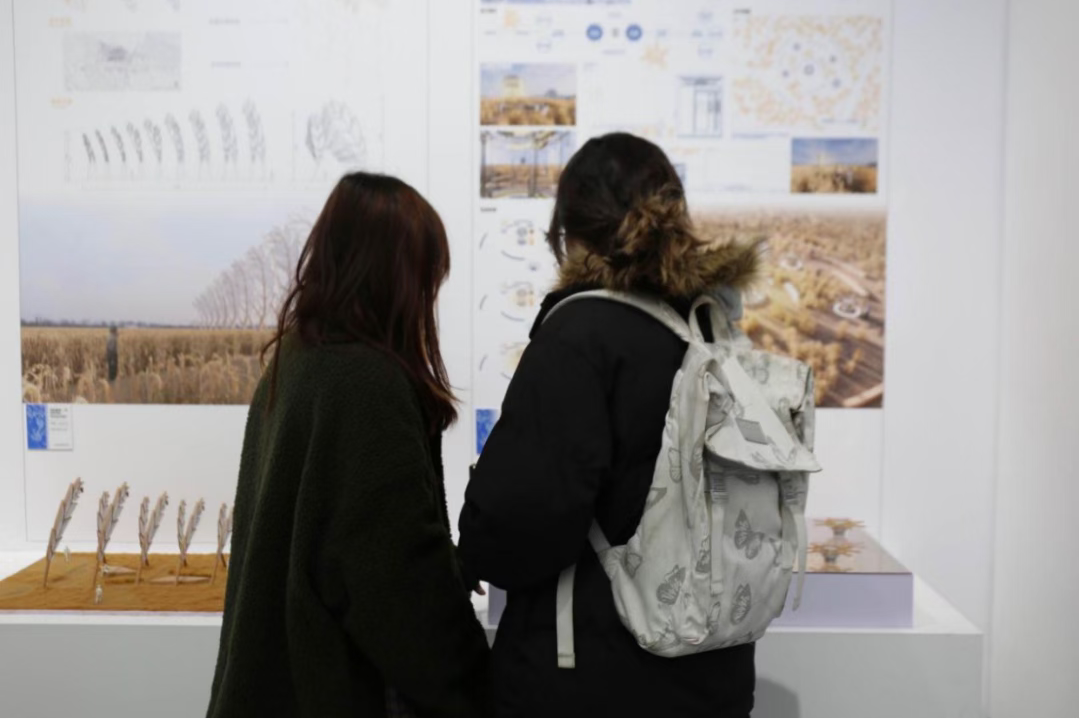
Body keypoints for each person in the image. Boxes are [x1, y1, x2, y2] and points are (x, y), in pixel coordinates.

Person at [458, 133, 763, 718]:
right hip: (712, 675)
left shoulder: (580, 335)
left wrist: (474, 540)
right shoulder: (711, 328)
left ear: (570, 231)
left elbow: (518, 526)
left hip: (593, 680)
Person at [208, 173, 491, 718]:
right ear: (396, 277)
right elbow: (394, 582)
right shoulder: (365, 385)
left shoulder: (296, 361)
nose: (428, 297)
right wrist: (476, 684)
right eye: (425, 277)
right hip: (339, 690)